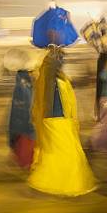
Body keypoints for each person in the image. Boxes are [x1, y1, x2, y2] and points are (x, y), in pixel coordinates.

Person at [28, 45, 97, 196]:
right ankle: (46, 181)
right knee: (64, 151)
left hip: (61, 119)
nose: (62, 62)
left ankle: (54, 182)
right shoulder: (49, 77)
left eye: (62, 59)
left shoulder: (57, 77)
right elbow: (51, 67)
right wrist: (54, 48)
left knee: (64, 151)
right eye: (60, 60)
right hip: (55, 120)